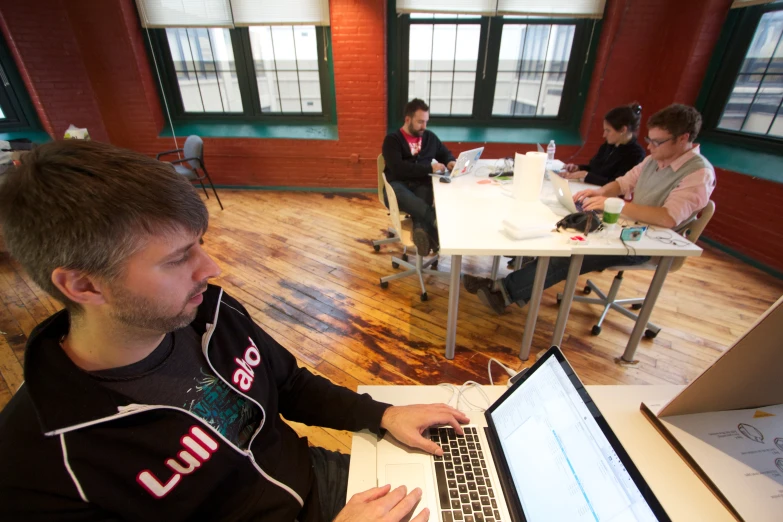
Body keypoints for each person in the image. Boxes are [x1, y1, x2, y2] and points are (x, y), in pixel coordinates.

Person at [0, 141, 469, 521]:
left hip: (316, 480)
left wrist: (382, 414)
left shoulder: (208, 313)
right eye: (178, 257)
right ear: (83, 284)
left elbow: (289, 384)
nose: (212, 267)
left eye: (199, 245)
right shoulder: (39, 464)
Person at [464, 104, 716, 314]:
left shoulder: (698, 173)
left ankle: (503, 292)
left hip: (646, 243)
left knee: (572, 253)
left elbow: (668, 217)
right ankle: (513, 281)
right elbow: (624, 182)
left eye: (657, 142)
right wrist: (601, 192)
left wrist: (615, 205)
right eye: (650, 140)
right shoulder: (654, 159)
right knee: (561, 229)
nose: (650, 146)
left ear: (684, 138)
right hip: (626, 226)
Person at [382, 99, 456, 255]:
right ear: (408, 119)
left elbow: (444, 152)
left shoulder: (429, 137)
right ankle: (436, 223)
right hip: (398, 185)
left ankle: (422, 231)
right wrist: (429, 168)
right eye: (420, 122)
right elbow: (399, 170)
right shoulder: (392, 140)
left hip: (421, 185)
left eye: (426, 122)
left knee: (423, 195)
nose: (424, 126)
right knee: (399, 192)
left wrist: (450, 161)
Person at [560, 103, 646, 186]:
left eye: (608, 131)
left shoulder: (636, 154)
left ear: (623, 130)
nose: (604, 135)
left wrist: (585, 175)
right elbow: (594, 168)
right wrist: (578, 168)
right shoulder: (609, 145)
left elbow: (617, 184)